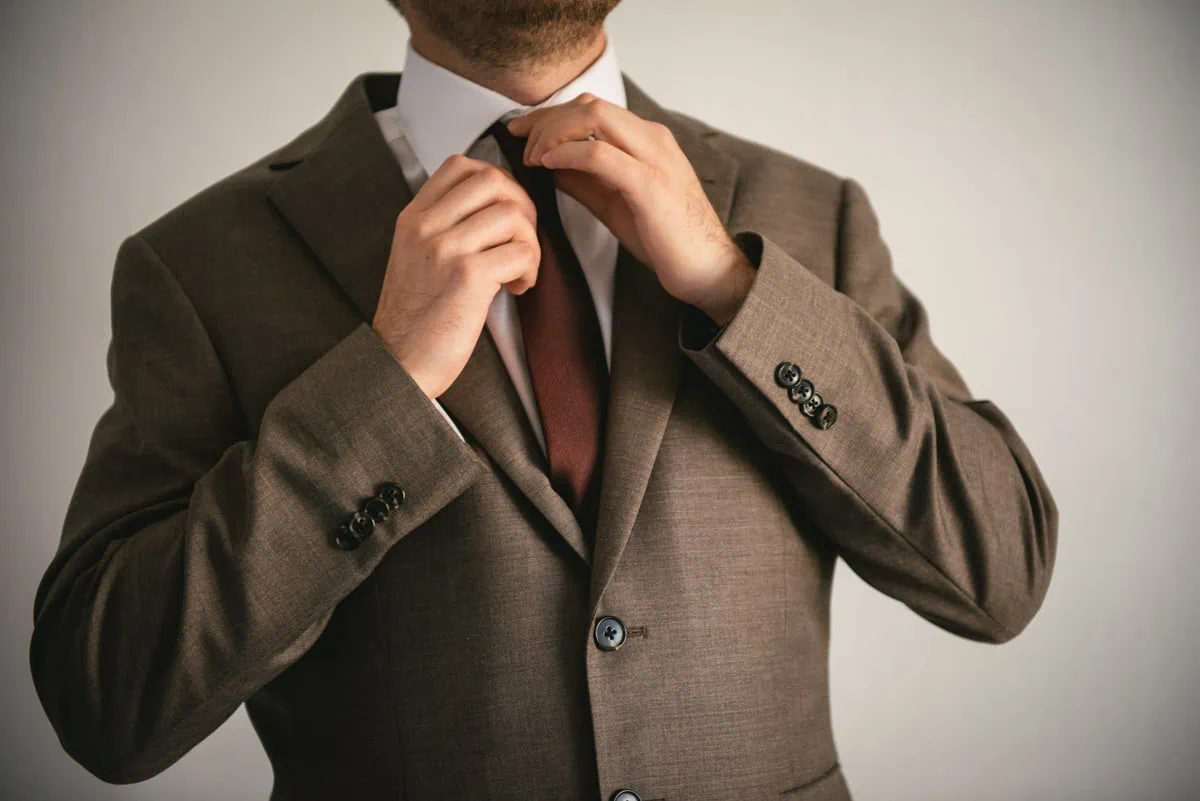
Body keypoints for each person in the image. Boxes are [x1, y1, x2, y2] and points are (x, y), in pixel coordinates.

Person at [28, 1, 1059, 799]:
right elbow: (107, 699)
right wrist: (384, 383)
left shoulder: (812, 215)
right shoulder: (198, 265)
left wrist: (735, 289)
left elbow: (1000, 568)